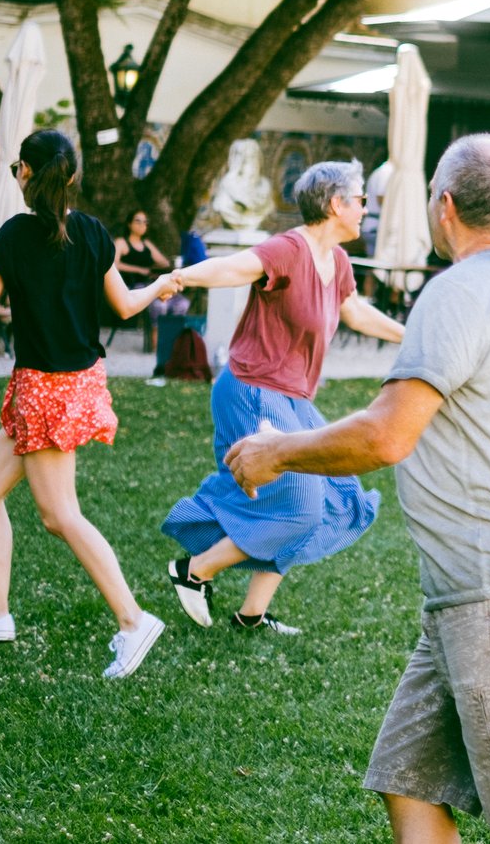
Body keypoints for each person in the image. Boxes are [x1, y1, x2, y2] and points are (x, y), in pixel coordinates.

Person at [224, 134, 490, 844]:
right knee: (410, 780)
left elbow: (386, 435)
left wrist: (279, 451)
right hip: (489, 589)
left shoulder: (455, 292)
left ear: (444, 205)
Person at [0, 130, 170, 678]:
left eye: (19, 167)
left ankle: (134, 620)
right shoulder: (93, 233)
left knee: (59, 514)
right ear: (71, 177)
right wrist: (160, 284)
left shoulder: (17, 234)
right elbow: (125, 304)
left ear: (26, 173)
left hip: (48, 388)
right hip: (69, 383)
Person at [160, 161, 406, 635]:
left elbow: (354, 311)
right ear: (336, 204)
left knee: (341, 496)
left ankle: (250, 614)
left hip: (293, 397)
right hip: (253, 390)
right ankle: (195, 572)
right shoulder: (288, 248)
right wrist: (182, 278)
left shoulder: (336, 260)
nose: (364, 209)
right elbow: (234, 267)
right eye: (359, 200)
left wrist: (412, 336)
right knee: (299, 506)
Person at [114, 208, 174, 352]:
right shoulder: (122, 242)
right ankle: (155, 345)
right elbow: (114, 264)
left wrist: (153, 269)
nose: (142, 225)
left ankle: (171, 345)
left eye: (145, 222)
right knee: (160, 306)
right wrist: (139, 270)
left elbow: (164, 262)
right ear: (129, 224)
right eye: (138, 221)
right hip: (132, 285)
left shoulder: (146, 244)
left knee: (180, 303)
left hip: (149, 284)